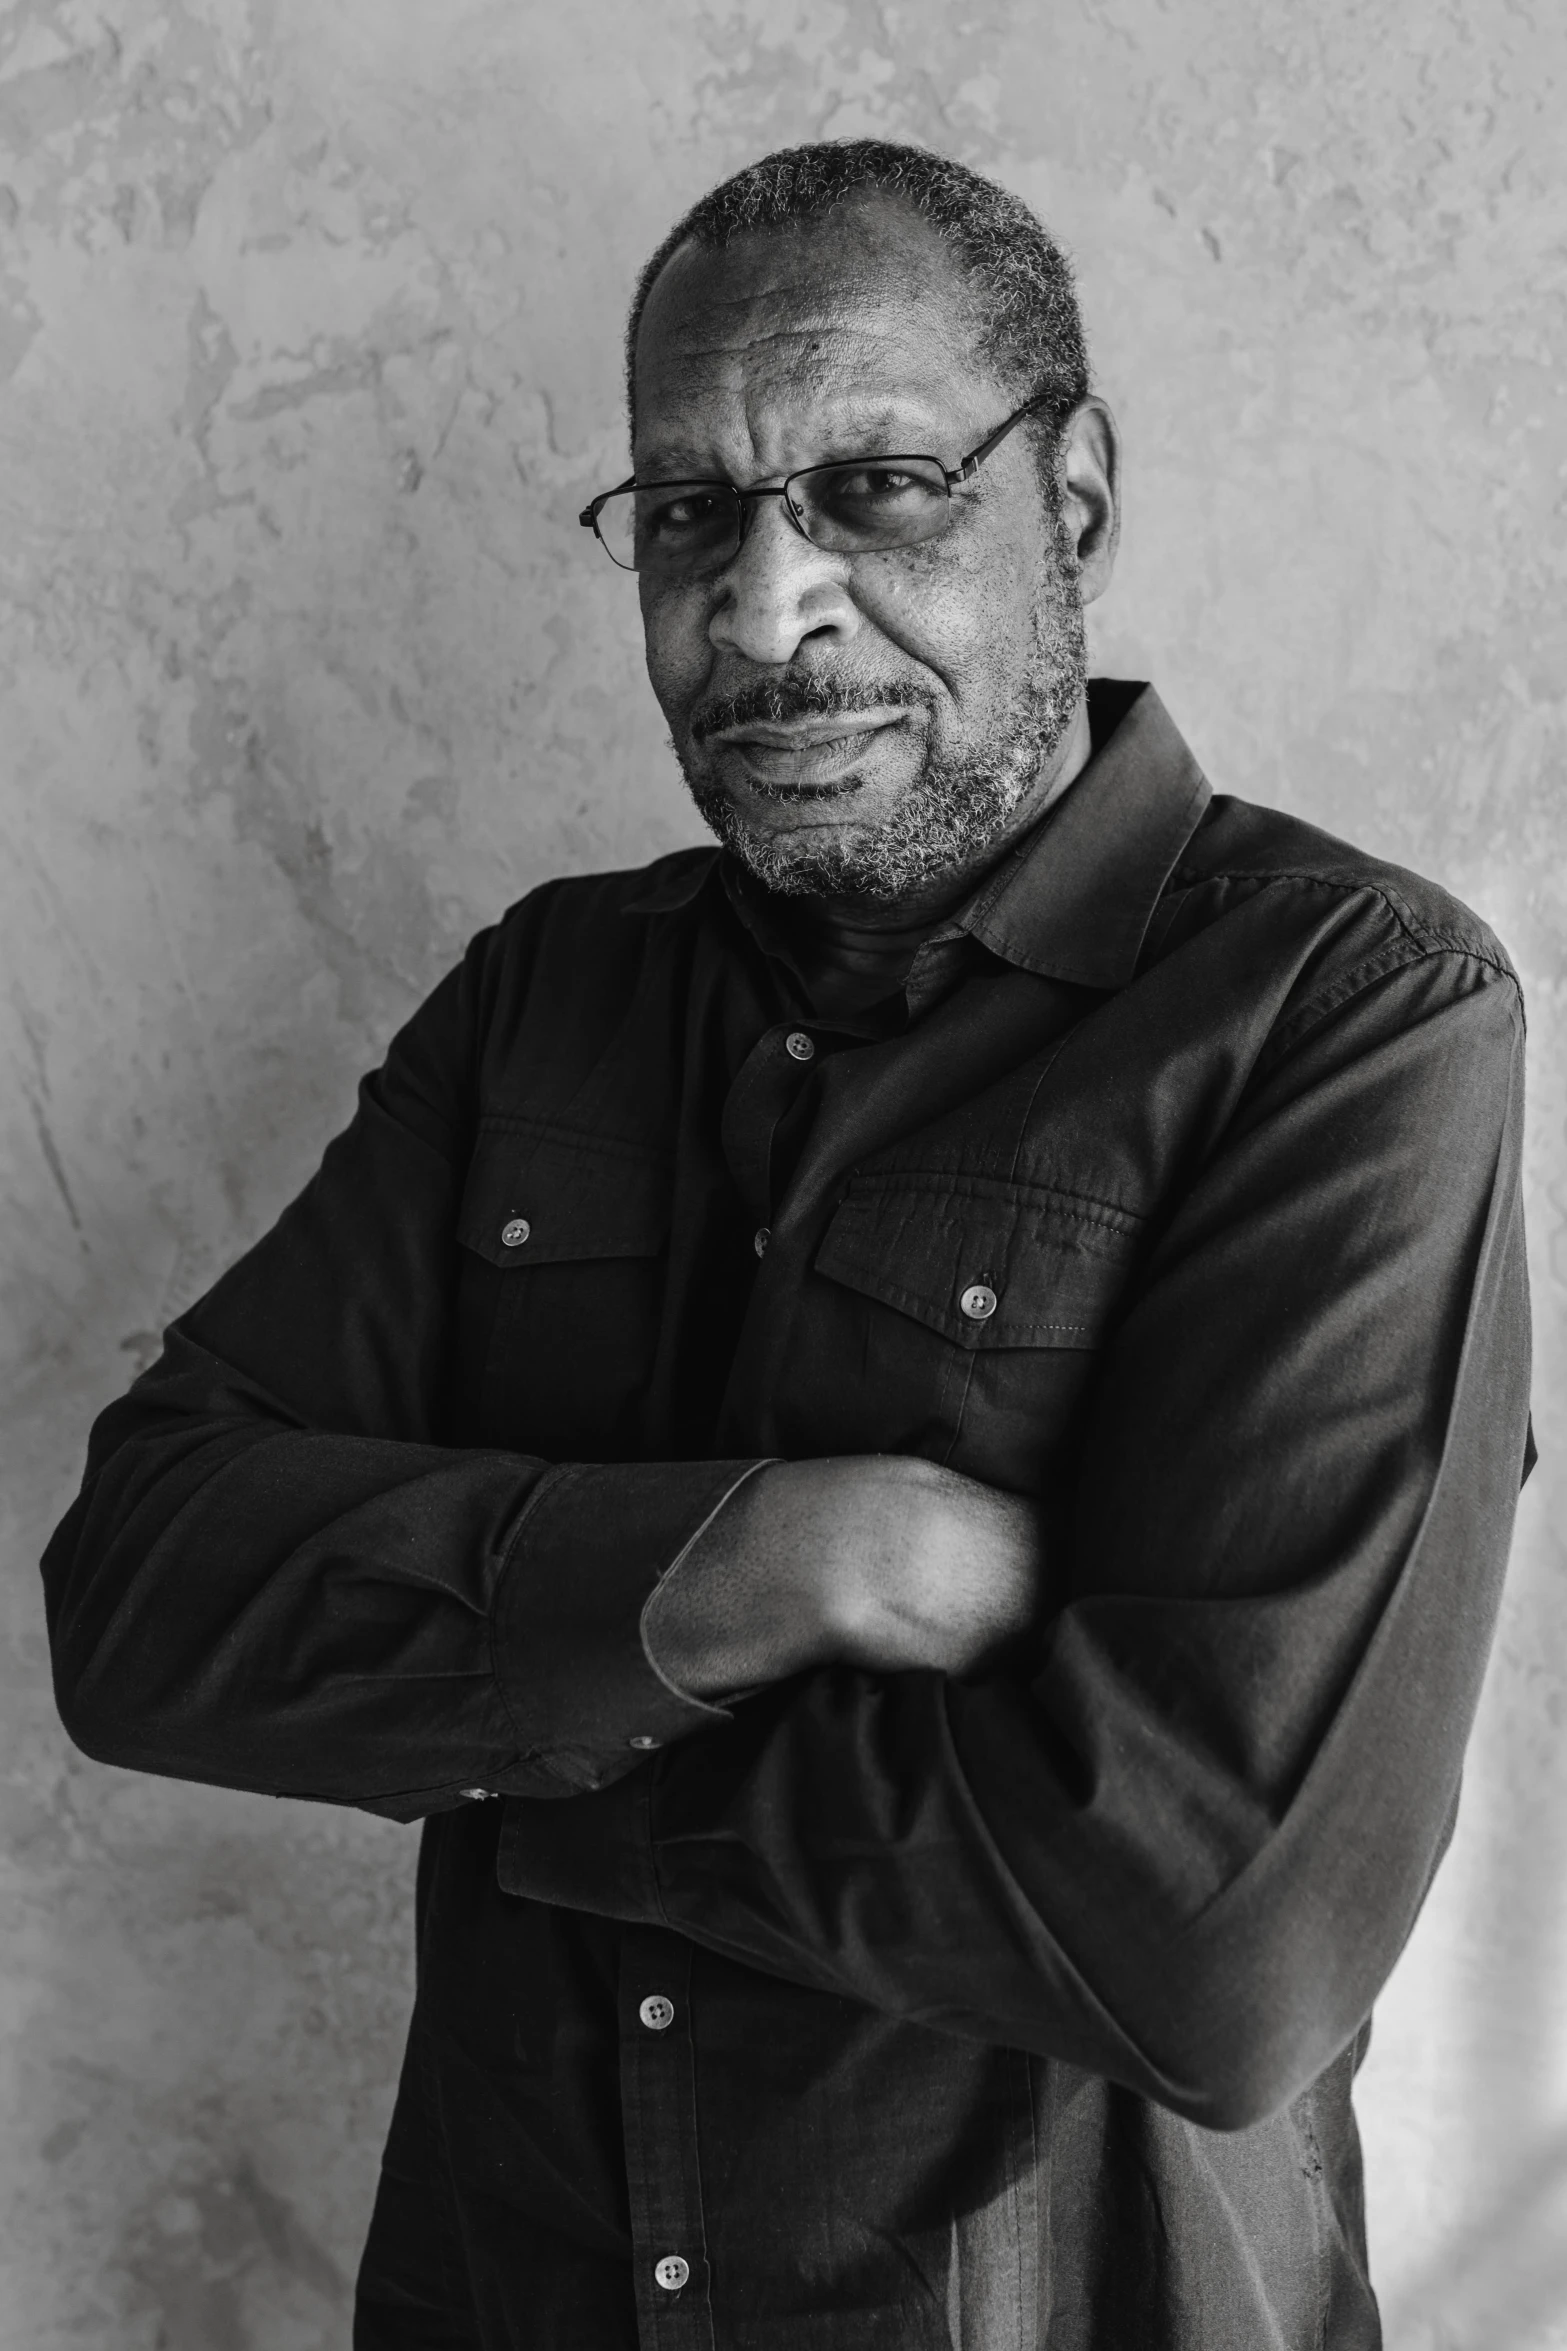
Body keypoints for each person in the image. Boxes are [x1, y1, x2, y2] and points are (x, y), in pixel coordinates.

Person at [42, 140, 1533, 2350]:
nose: (760, 607)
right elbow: (139, 1600)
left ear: (1079, 503)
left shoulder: (1347, 1015)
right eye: (685, 512)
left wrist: (542, 1725)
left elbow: (1218, 1939)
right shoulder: (544, 998)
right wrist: (788, 1557)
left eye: (876, 486)